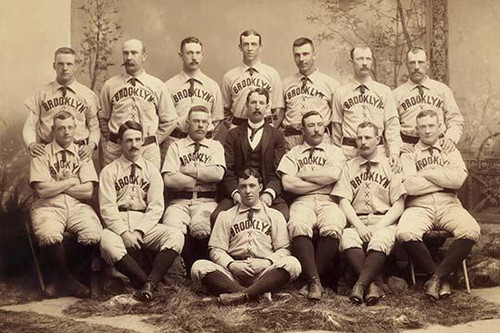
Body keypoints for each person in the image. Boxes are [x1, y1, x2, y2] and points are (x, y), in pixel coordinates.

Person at [396, 110, 480, 300]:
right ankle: (442, 279)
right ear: (416, 130)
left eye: (431, 126)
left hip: (449, 203)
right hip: (419, 205)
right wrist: (443, 176)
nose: (427, 131)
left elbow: (458, 180)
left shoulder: (450, 149)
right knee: (405, 232)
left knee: (471, 229)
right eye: (422, 127)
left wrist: (426, 173)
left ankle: (436, 278)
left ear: (440, 127)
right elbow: (409, 185)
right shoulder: (410, 153)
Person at [191, 169, 301, 305]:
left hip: (264, 272)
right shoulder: (226, 216)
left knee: (293, 264)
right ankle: (256, 294)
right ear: (238, 189)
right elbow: (216, 249)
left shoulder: (274, 215)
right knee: (198, 267)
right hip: (234, 272)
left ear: (260, 188)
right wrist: (231, 265)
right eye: (243, 186)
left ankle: (240, 296)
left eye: (252, 186)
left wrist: (267, 262)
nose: (247, 191)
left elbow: (284, 249)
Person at [99, 120, 179, 302]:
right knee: (107, 243)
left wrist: (138, 231)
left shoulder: (152, 171)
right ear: (120, 142)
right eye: (128, 140)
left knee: (175, 236)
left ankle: (150, 283)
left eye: (137, 140)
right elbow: (107, 208)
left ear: (143, 141)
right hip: (117, 221)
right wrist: (124, 233)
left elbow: (156, 207)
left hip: (144, 222)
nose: (134, 145)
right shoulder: (109, 171)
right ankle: (147, 283)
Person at [29, 110, 102, 298]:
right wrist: (71, 182)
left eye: (70, 127)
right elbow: (42, 191)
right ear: (53, 129)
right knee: (48, 234)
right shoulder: (41, 153)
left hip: (77, 205)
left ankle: (64, 280)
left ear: (76, 128)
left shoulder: (83, 153)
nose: (66, 132)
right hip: (48, 205)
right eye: (61, 128)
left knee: (92, 232)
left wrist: (56, 185)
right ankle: (68, 280)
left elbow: (87, 192)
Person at [331, 121, 405, 305]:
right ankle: (373, 285)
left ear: (378, 139)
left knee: (380, 240)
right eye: (359, 137)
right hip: (358, 220)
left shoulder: (390, 165)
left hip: (384, 219)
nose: (363, 142)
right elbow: (343, 200)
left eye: (368, 137)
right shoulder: (349, 166)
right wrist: (359, 225)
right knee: (347, 238)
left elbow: (399, 203)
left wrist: (380, 225)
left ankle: (360, 285)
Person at [278, 111, 346, 300]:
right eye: (311, 125)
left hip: (329, 200)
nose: (316, 130)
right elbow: (288, 184)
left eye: (319, 124)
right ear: (302, 129)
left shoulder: (335, 151)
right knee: (298, 225)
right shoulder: (293, 153)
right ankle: (316, 282)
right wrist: (320, 181)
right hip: (302, 201)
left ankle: (311, 281)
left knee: (333, 226)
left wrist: (301, 175)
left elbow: (333, 175)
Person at [161, 105, 226, 272]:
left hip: (206, 200)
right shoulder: (176, 146)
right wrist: (199, 179)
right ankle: (175, 272)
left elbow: (218, 174)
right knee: (171, 227)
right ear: (188, 123)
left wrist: (186, 171)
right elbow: (168, 179)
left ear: (209, 124)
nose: (200, 125)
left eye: (205, 122)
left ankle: (202, 269)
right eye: (196, 121)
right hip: (179, 200)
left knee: (202, 227)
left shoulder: (215, 146)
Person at [210, 88, 288, 226]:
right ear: (246, 106)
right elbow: (227, 169)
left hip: (266, 191)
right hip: (239, 191)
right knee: (217, 217)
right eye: (253, 102)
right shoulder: (233, 134)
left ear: (267, 107)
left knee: (284, 217)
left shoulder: (276, 136)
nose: (257, 107)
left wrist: (269, 193)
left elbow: (279, 171)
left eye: (261, 103)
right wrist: (235, 193)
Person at [98, 39, 177, 168]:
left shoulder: (157, 85)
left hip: (147, 149)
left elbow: (170, 119)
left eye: (134, 53)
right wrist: (112, 138)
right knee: (114, 184)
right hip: (116, 149)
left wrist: (153, 139)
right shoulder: (110, 85)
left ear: (144, 56)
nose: (129, 58)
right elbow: (103, 117)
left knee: (148, 184)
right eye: (125, 53)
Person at [23, 47, 100, 161]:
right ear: (54, 66)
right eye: (60, 64)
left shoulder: (87, 94)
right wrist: (31, 144)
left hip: (79, 152)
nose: (65, 68)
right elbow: (30, 125)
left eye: (69, 64)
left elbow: (94, 127)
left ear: (75, 66)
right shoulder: (41, 93)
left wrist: (91, 145)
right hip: (47, 152)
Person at [332, 46, 401, 166]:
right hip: (349, 153)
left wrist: (394, 152)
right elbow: (336, 130)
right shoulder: (340, 92)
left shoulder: (384, 91)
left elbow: (392, 126)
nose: (364, 63)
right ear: (351, 62)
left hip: (378, 152)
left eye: (368, 59)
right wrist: (338, 156)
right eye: (360, 59)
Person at [393, 47, 464, 152]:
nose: (416, 67)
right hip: (409, 147)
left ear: (427, 64)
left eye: (420, 62)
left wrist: (450, 138)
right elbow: (391, 126)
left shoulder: (442, 90)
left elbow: (455, 119)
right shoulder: (396, 94)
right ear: (407, 65)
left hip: (439, 144)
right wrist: (399, 145)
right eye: (412, 63)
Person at [281, 37, 340, 149]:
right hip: (291, 139)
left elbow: (337, 120)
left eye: (305, 54)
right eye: (297, 55)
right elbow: (279, 115)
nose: (301, 59)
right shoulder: (285, 84)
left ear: (314, 54)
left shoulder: (331, 84)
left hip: (320, 139)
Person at [164, 37, 224, 144]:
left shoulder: (212, 86)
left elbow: (217, 121)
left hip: (204, 143)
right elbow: (164, 120)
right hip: (177, 141)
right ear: (181, 56)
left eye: (197, 53)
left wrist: (206, 140)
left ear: (202, 56)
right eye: (189, 53)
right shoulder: (168, 86)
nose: (194, 57)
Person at [221, 30, 284, 129]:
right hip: (238, 125)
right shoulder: (229, 76)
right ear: (240, 47)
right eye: (246, 44)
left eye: (254, 44)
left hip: (265, 125)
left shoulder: (272, 74)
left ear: (260, 47)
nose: (250, 48)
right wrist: (234, 130)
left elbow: (278, 109)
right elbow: (225, 110)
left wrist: (270, 131)